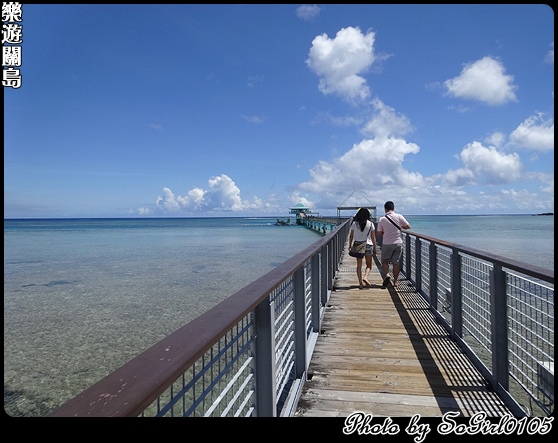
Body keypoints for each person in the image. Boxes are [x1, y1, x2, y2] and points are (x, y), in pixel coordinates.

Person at [377, 201, 410, 288]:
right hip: (398, 242)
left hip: (387, 243)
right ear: (393, 208)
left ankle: (387, 275)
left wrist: (385, 231)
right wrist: (400, 227)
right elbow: (408, 226)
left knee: (384, 261)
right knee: (396, 263)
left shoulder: (382, 219)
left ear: (385, 209)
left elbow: (379, 233)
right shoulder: (399, 216)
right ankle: (395, 282)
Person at [348, 207, 377, 289]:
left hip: (358, 245)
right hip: (368, 245)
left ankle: (360, 283)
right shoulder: (371, 224)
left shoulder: (354, 224)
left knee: (359, 266)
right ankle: (366, 277)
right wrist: (375, 248)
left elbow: (351, 236)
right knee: (369, 265)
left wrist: (350, 245)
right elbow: (373, 237)